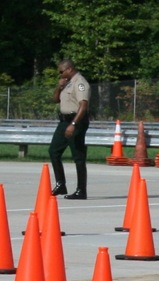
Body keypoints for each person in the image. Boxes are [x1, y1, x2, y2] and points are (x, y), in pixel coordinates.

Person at [49, 59, 91, 200]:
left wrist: (73, 124)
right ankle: (61, 184)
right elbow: (56, 100)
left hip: (76, 120)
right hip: (64, 121)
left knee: (78, 156)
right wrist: (59, 87)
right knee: (54, 151)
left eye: (61, 71)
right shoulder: (67, 83)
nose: (60, 74)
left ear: (70, 69)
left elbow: (83, 106)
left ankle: (81, 190)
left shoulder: (80, 83)